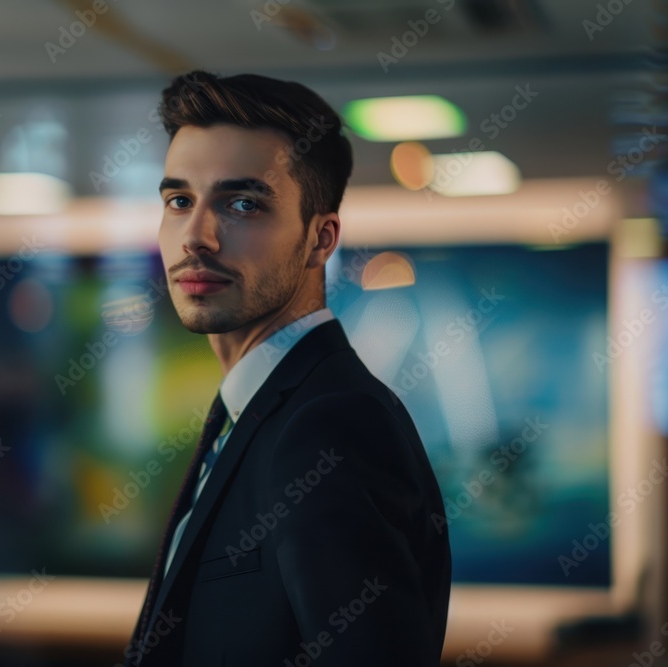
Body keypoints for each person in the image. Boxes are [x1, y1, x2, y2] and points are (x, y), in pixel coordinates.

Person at [123, 69, 451, 666]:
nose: (196, 235)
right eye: (179, 201)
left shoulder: (331, 423)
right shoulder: (253, 413)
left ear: (320, 240)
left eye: (242, 203)